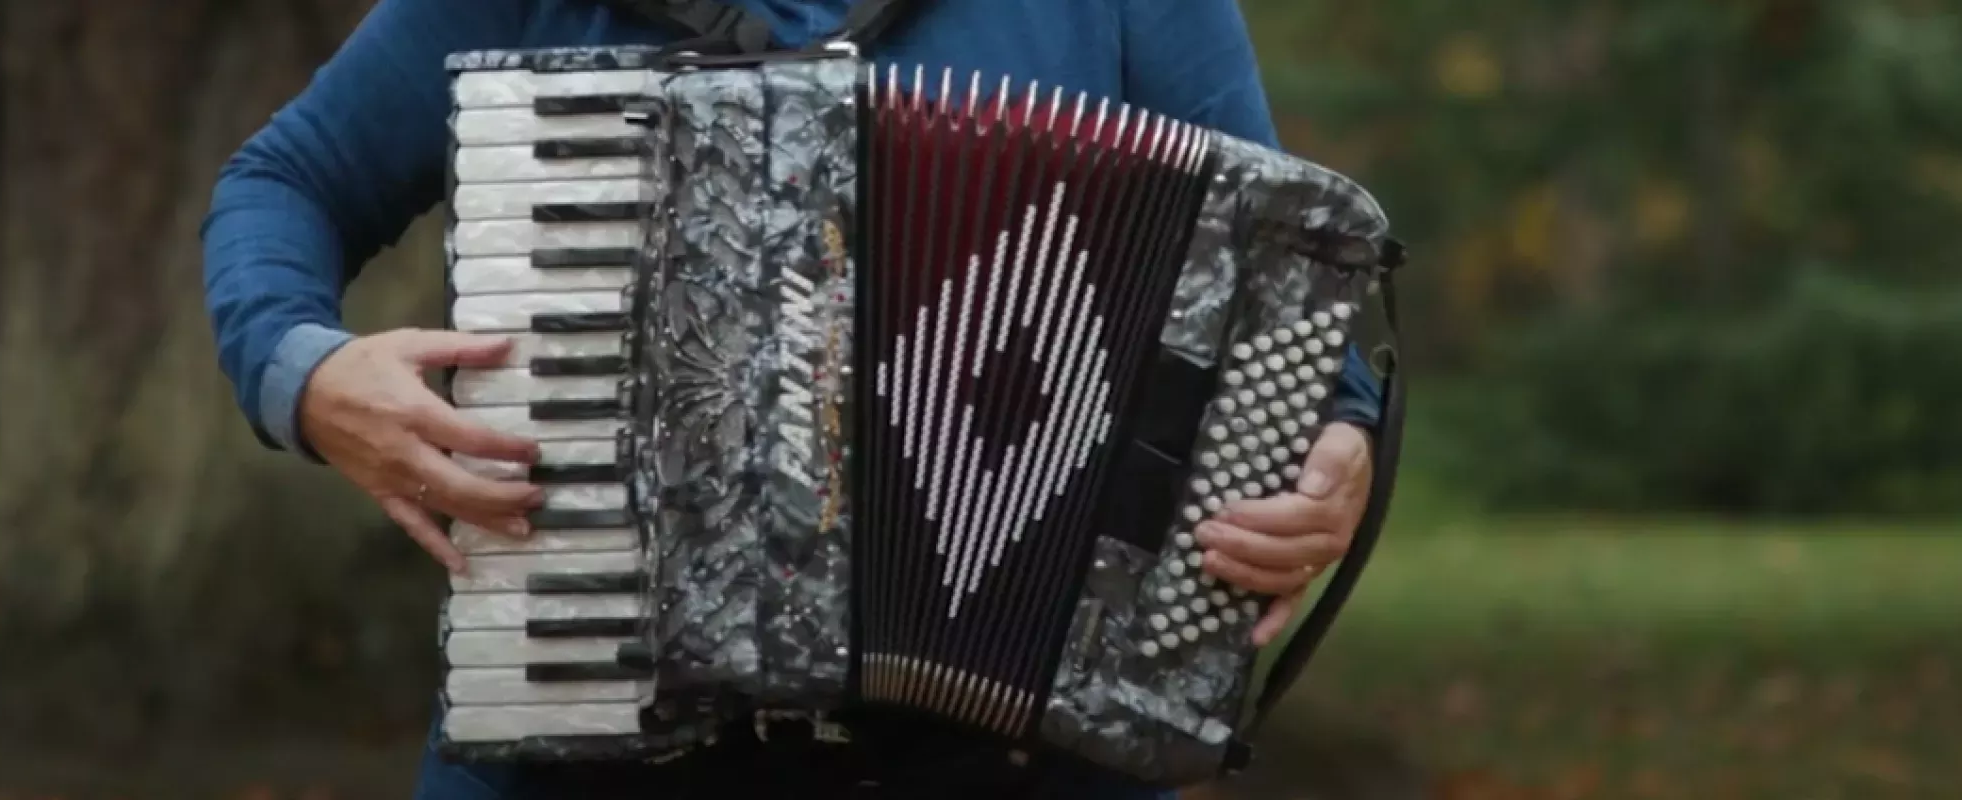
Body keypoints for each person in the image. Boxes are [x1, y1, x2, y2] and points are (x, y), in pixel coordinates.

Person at [198, 0, 1385, 796]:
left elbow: (1284, 286)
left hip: (1021, 754)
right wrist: (302, 373)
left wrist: (1340, 441)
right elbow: (289, 180)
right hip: (596, 731)